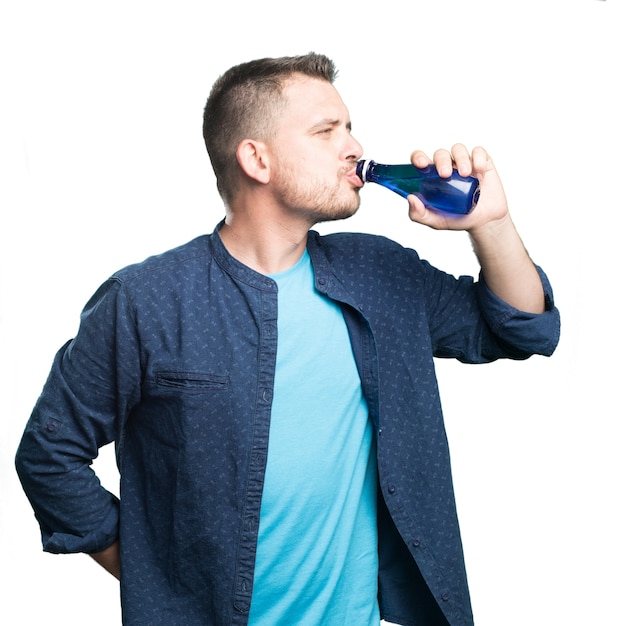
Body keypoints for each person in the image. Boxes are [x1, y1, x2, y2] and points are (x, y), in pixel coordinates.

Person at [15, 53, 560, 626]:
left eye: (349, 127)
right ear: (257, 158)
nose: (354, 147)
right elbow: (50, 455)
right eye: (327, 131)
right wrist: (159, 575)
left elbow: (519, 327)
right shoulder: (146, 300)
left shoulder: (381, 274)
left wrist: (491, 224)